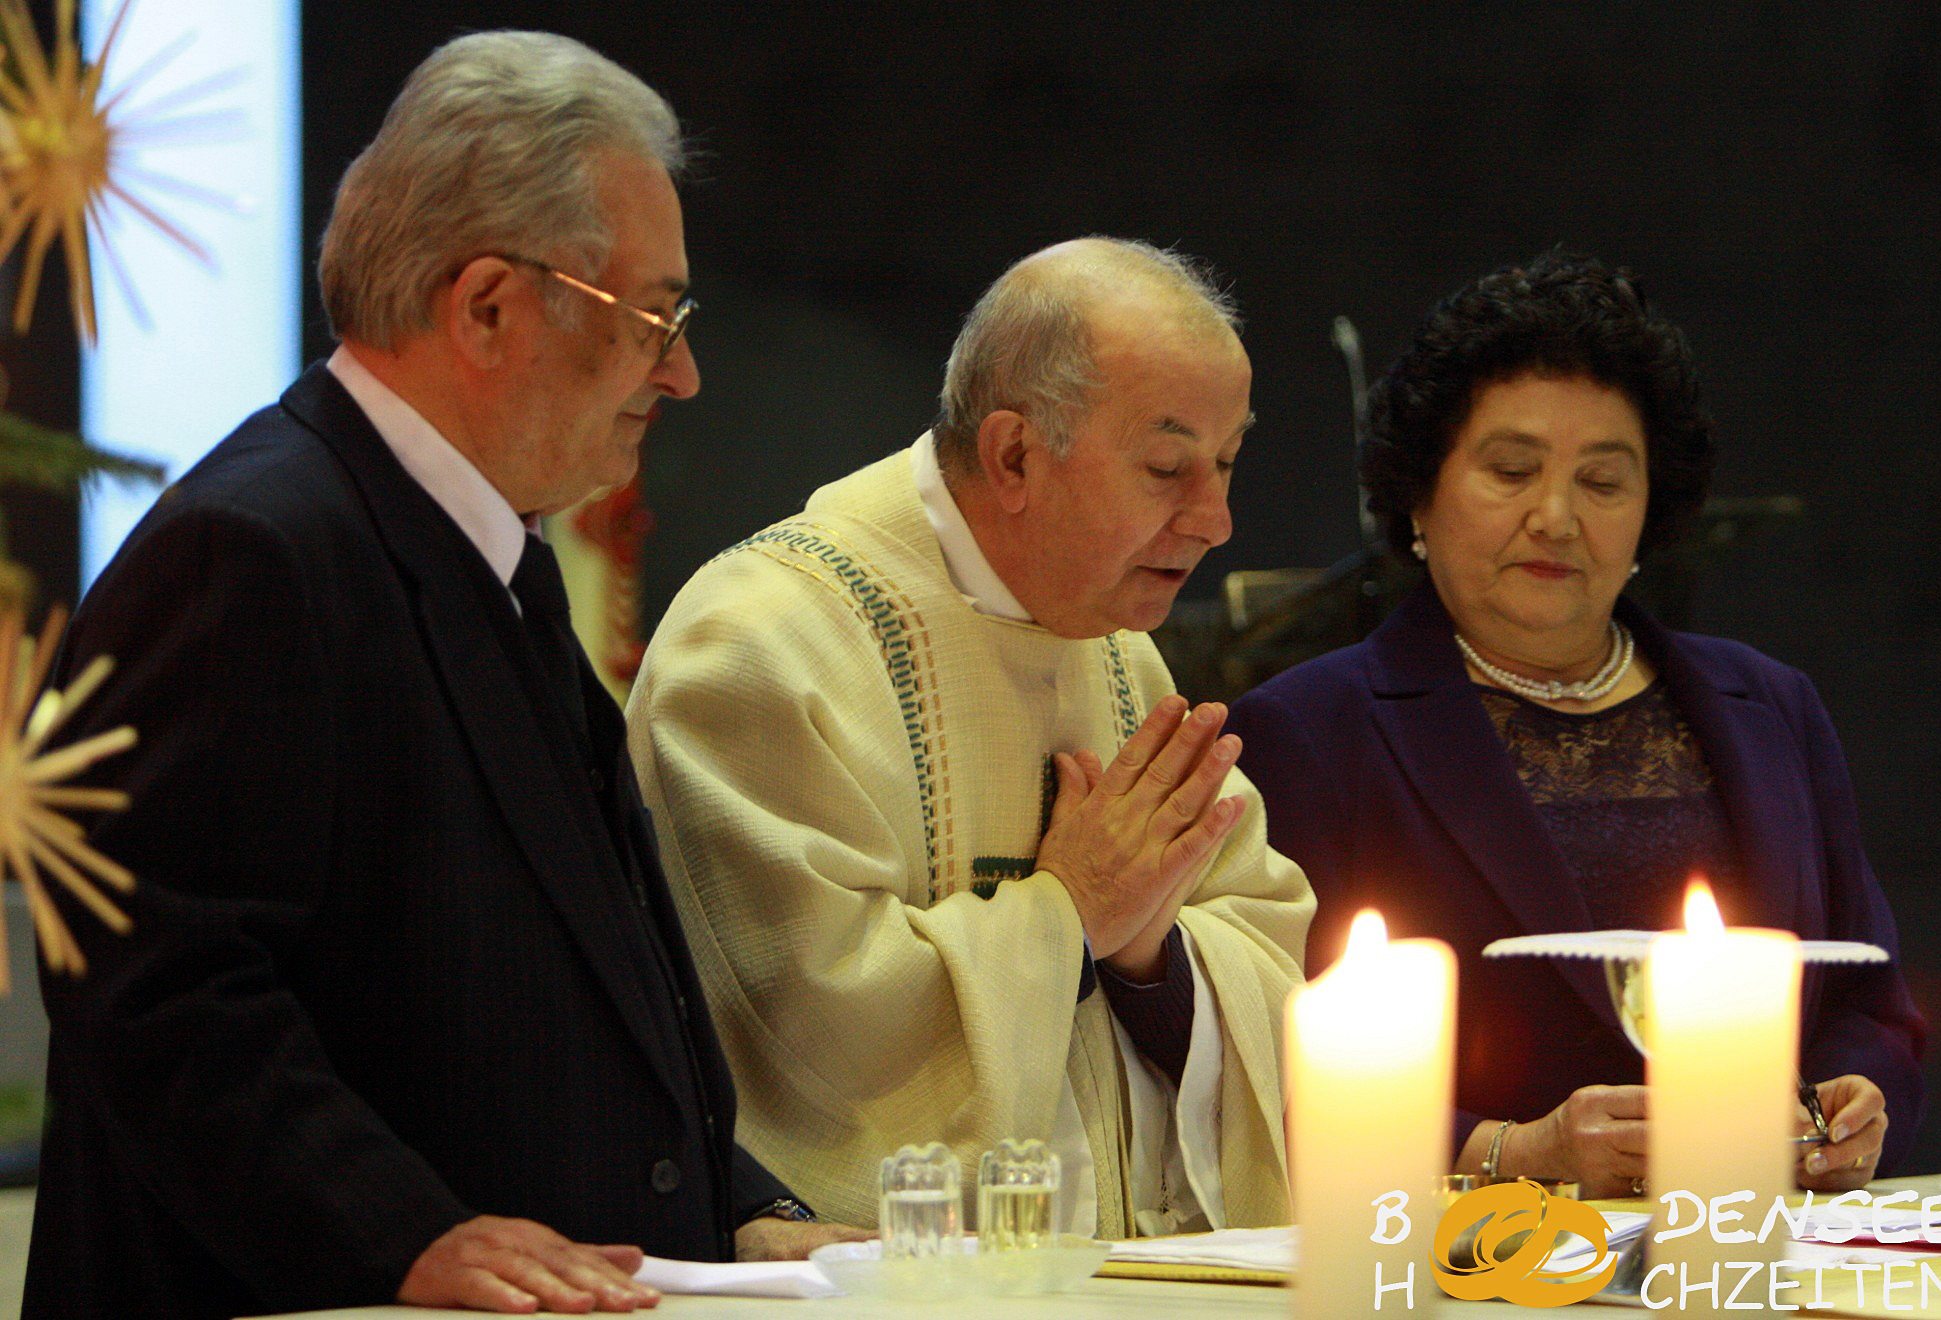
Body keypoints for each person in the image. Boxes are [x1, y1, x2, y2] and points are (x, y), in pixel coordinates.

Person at [25, 32, 860, 1320]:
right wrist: (404, 1234)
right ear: (486, 308)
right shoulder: (249, 552)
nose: (682, 372)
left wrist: (738, 1205)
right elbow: (160, 993)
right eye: (657, 317)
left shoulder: (479, 551)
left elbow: (577, 981)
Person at [628, 238, 1313, 1236]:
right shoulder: (759, 648)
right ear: (1014, 456)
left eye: (1226, 464)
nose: (1216, 519)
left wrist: (1149, 952)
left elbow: (1258, 936)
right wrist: (1069, 913)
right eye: (1168, 467)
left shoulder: (1122, 652)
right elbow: (809, 1033)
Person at [1226, 250, 1925, 1198]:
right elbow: (1258, 1064)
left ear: (1650, 512)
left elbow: (1870, 1002)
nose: (1555, 517)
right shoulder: (1308, 730)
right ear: (1420, 495)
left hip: (1755, 1247)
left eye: (1603, 483)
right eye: (1511, 471)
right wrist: (1513, 1154)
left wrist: (1858, 1099)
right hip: (1477, 1267)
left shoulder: (1770, 706)